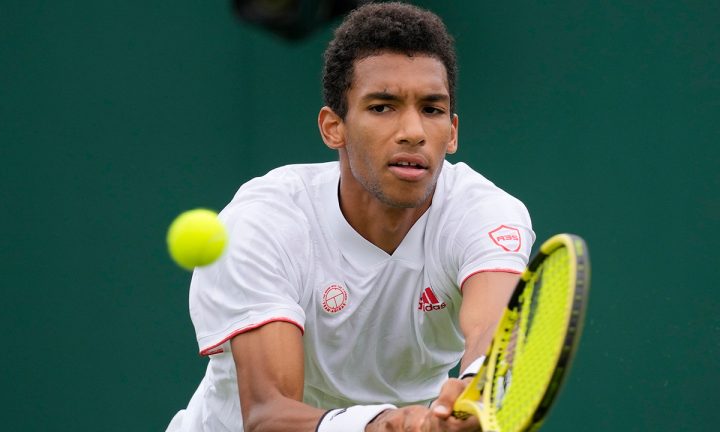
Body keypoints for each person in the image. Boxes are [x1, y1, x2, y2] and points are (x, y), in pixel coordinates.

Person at [167, 2, 534, 431]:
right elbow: (268, 415)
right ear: (332, 127)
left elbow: (492, 332)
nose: (413, 131)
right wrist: (379, 424)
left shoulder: (485, 213)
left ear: (452, 133)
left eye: (431, 110)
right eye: (383, 107)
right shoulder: (264, 222)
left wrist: (476, 391)